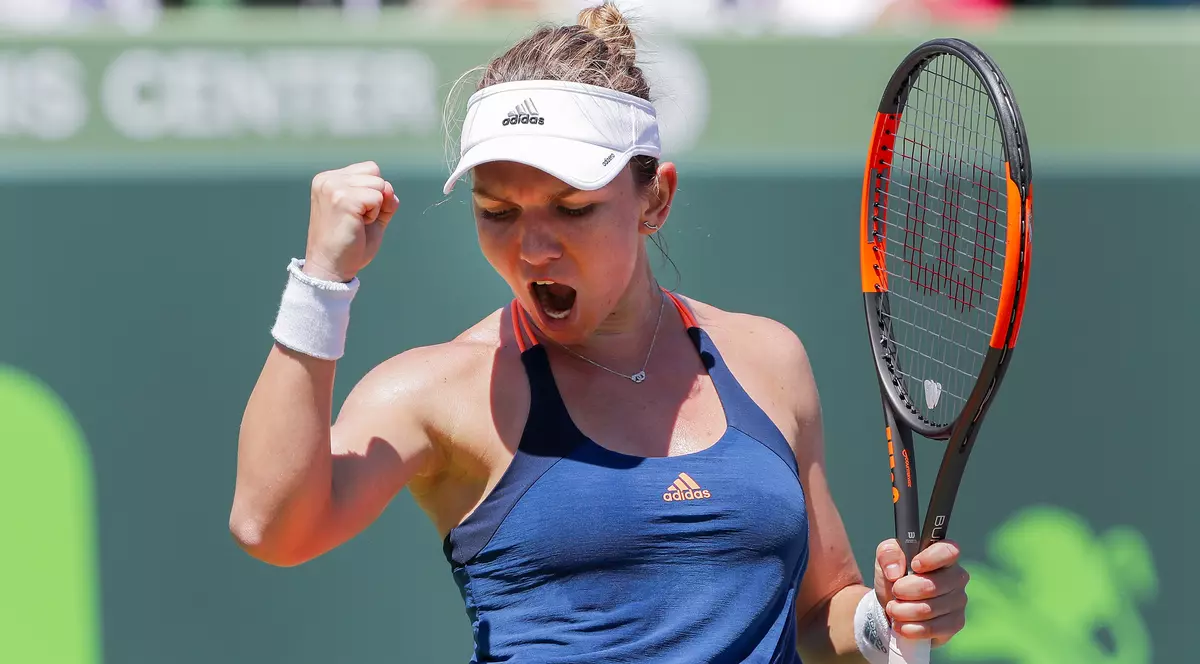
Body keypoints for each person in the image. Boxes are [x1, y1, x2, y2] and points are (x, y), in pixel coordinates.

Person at [229, 3, 971, 661]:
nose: (533, 247)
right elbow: (272, 527)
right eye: (498, 211)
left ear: (656, 198)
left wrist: (884, 620)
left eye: (572, 207)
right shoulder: (438, 390)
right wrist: (320, 284)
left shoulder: (768, 359)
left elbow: (819, 613)